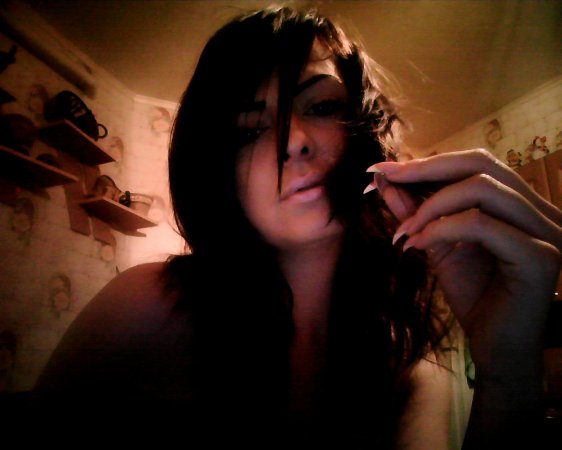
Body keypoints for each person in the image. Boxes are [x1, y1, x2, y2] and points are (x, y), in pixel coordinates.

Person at [27, 6, 560, 449]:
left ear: (364, 132)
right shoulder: (143, 306)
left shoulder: (405, 359)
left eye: (322, 106)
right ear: (217, 174)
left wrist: (507, 372)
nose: (294, 140)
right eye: (249, 129)